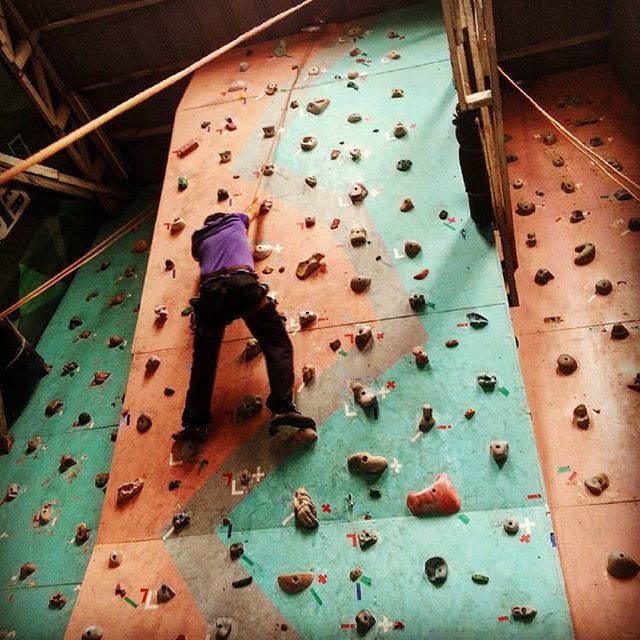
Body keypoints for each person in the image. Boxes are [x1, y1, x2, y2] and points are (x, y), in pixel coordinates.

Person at [172, 212, 317, 443]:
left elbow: (198, 258)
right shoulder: (235, 220)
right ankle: (282, 406)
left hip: (211, 292)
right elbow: (248, 218)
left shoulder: (198, 237)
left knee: (203, 363)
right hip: (243, 285)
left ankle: (196, 424)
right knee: (277, 344)